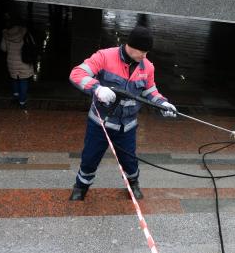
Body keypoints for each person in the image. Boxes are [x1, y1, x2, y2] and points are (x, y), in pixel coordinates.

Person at [69, 26, 177, 201]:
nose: (145, 56)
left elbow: (150, 91)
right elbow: (77, 73)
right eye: (142, 51)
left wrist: (162, 103)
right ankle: (81, 186)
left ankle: (132, 183)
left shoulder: (147, 66)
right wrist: (97, 89)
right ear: (130, 45)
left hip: (127, 126)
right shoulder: (104, 56)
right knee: (90, 157)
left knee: (129, 160)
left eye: (147, 52)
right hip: (100, 124)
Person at [0, 13, 35, 109]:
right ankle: (22, 101)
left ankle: (15, 95)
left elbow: (3, 48)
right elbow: (32, 44)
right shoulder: (25, 32)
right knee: (23, 80)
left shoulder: (6, 34)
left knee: (14, 78)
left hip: (11, 61)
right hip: (24, 61)